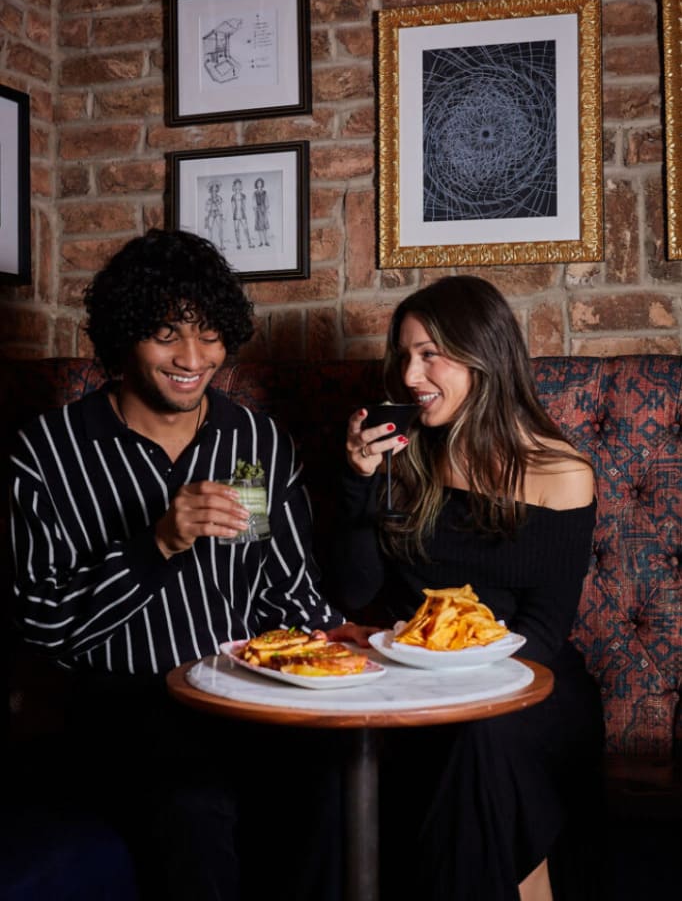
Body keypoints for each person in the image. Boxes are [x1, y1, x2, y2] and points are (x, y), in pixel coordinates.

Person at [9, 228, 360, 901]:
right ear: (122, 336)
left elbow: (289, 592)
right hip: (122, 704)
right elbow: (44, 625)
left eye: (207, 334)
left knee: (338, 784)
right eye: (165, 333)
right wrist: (158, 543)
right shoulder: (49, 451)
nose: (192, 358)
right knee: (196, 804)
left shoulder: (252, 441)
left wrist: (354, 645)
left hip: (244, 695)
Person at [327, 275, 604, 901]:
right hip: (404, 665)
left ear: (485, 355)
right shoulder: (403, 450)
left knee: (484, 739)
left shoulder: (562, 472)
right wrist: (357, 480)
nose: (411, 374)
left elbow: (547, 626)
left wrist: (447, 665)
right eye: (403, 356)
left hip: (527, 675)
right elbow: (354, 588)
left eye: (430, 354)